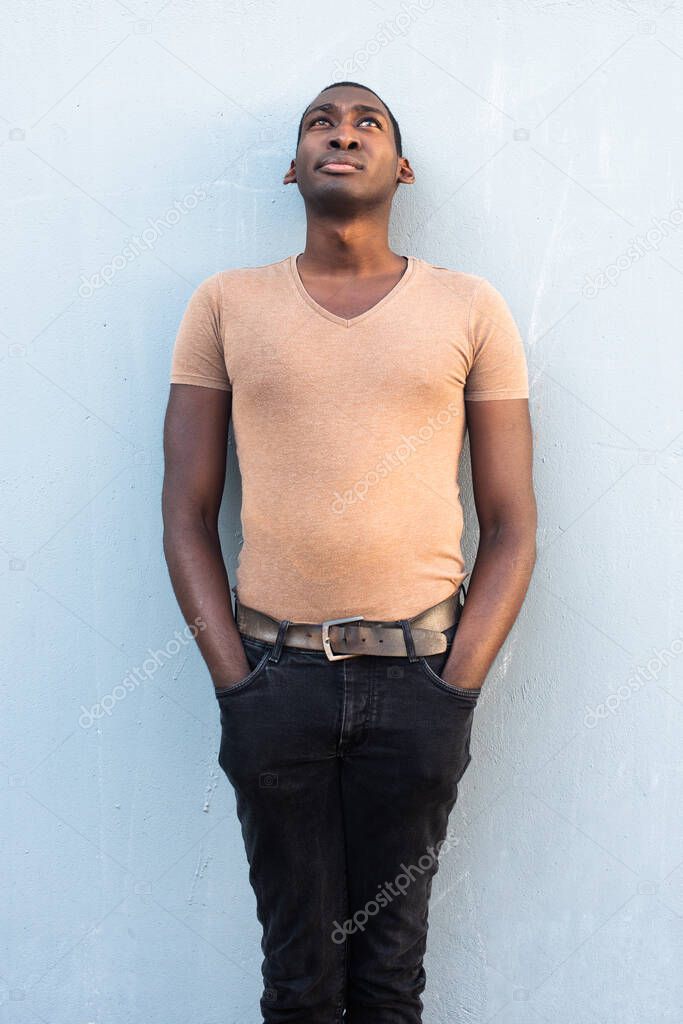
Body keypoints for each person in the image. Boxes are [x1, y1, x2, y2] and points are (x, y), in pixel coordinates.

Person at [162, 79, 537, 1024]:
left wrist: (458, 683)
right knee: (298, 982)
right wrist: (234, 683)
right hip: (273, 680)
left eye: (367, 122)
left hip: (418, 680)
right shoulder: (225, 304)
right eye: (321, 123)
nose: (343, 134)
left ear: (400, 167)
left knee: (389, 980)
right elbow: (184, 512)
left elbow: (512, 521)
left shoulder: (470, 307)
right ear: (294, 168)